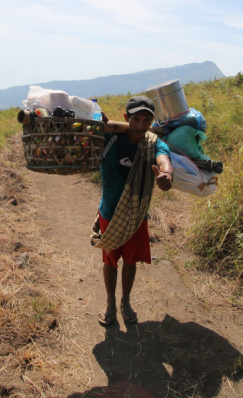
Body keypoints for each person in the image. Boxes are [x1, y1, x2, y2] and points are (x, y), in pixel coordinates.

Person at [92, 96, 173, 326]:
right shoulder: (109, 138)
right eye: (135, 119)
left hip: (137, 215)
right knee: (110, 260)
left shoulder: (153, 143)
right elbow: (86, 138)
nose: (140, 125)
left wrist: (166, 174)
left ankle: (125, 302)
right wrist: (96, 119)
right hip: (109, 212)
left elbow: (164, 158)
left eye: (146, 120)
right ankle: (110, 303)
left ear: (151, 121)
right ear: (126, 118)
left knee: (130, 261)